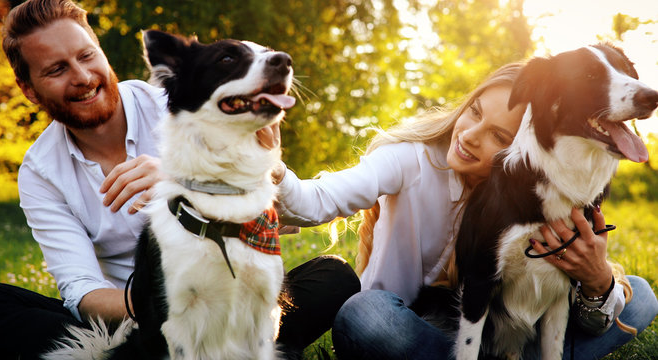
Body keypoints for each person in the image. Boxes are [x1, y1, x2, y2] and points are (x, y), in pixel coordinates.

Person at [0, 0, 359, 359]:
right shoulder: (41, 171)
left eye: (86, 55)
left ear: (100, 51)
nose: (82, 76)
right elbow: (83, 291)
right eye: (57, 69)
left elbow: (275, 217)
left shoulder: (186, 103)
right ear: (29, 90)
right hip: (130, 312)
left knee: (334, 276)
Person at [274, 62, 658, 359]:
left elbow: (577, 310)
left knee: (639, 297)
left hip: (499, 339)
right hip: (404, 330)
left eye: (499, 136)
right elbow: (318, 200)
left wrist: (596, 280)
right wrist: (272, 171)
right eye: (474, 112)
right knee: (366, 313)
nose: (471, 136)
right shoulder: (410, 160)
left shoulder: (540, 196)